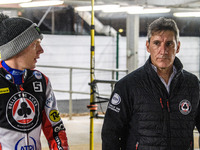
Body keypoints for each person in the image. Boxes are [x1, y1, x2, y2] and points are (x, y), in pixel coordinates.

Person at [102, 17, 200, 150]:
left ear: (178, 47)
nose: (163, 50)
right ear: (148, 46)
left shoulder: (193, 84)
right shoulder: (128, 86)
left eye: (169, 44)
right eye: (157, 43)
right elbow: (110, 134)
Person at [0, 13, 69, 149]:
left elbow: (55, 129)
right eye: (35, 44)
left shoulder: (42, 81)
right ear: (17, 48)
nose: (41, 50)